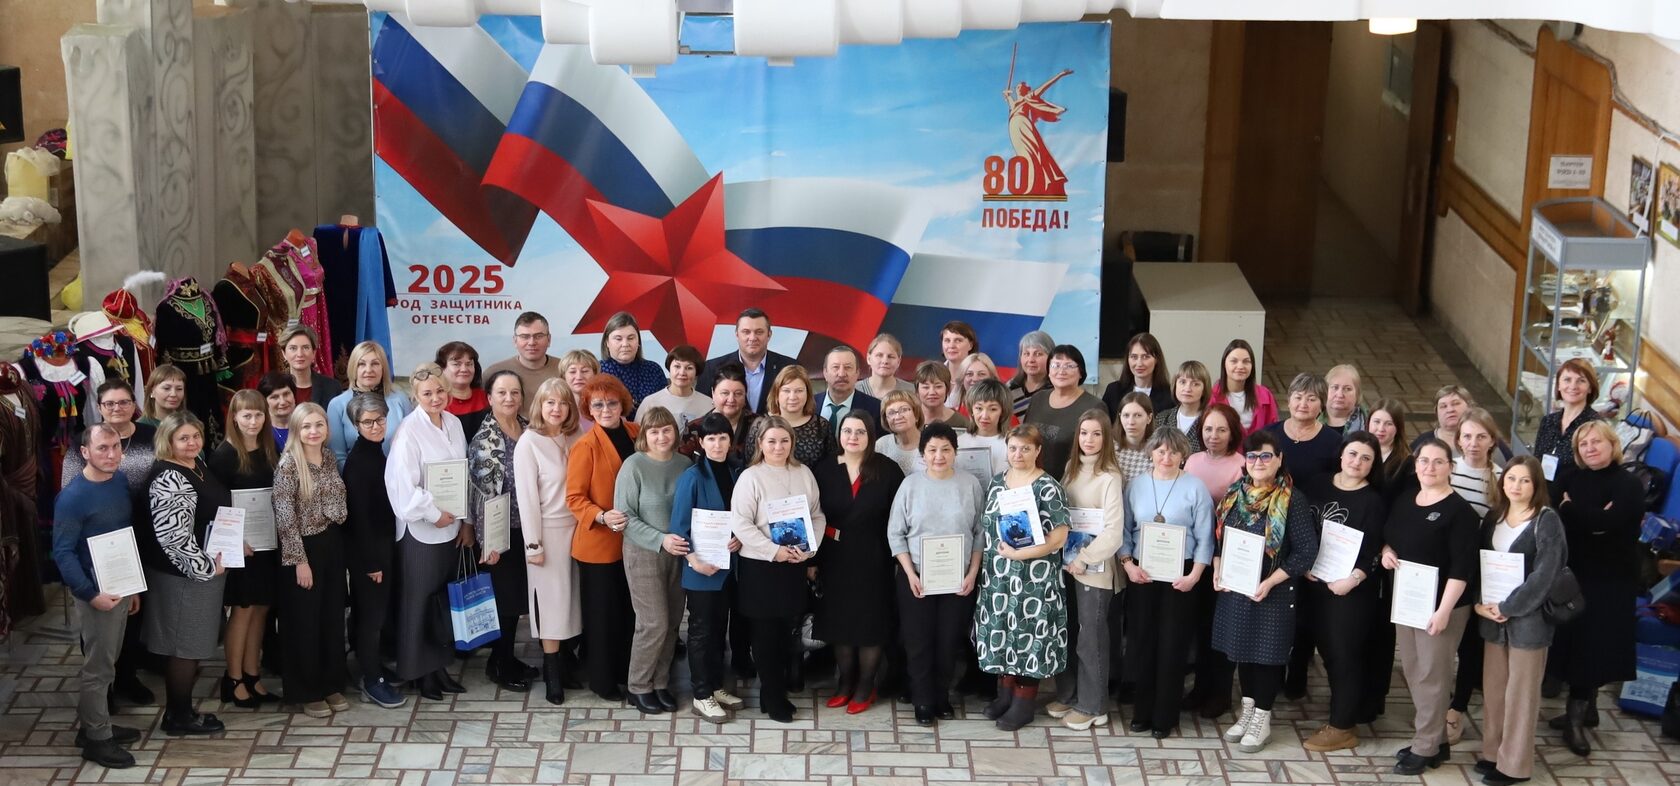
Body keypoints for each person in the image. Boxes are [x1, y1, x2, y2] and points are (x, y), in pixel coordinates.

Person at [1213, 430, 1318, 753]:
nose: (1258, 462)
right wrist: (1217, 569)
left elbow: (1306, 552)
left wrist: (1271, 581)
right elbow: (1220, 540)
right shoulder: (1235, 494)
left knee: (1267, 656)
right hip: (1236, 589)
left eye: (1266, 456)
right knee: (1242, 652)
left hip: (1273, 592)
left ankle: (1262, 718)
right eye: (1252, 456)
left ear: (1279, 459)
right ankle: (1247, 713)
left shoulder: (1292, 499)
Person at [1381, 438, 1478, 775]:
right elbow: (1391, 536)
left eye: (1438, 462)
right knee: (1412, 669)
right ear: (1415, 464)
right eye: (1424, 461)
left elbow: (1462, 568)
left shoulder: (1461, 512)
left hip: (1442, 606)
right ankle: (1437, 742)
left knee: (1432, 675)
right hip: (1408, 600)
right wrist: (1386, 552)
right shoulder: (1407, 499)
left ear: (1451, 467)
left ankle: (1425, 746)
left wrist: (1443, 611)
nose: (1430, 467)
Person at [1548, 420, 1643, 757]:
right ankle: (1586, 708)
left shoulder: (1629, 483)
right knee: (1575, 643)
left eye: (1596, 442)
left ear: (1612, 444)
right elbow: (1559, 517)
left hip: (1612, 577)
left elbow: (1609, 523)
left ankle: (1576, 720)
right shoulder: (1569, 477)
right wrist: (1590, 520)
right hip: (1575, 573)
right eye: (1583, 444)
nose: (1590, 448)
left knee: (1596, 644)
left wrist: (1571, 508)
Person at [53, 424, 143, 768]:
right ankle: (98, 740)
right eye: (102, 448)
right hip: (96, 594)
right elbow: (63, 553)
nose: (111, 454)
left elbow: (123, 535)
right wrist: (90, 595)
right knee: (98, 668)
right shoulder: (73, 497)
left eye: (116, 447)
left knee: (109, 661)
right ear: (84, 452)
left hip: (120, 587)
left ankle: (92, 725)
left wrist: (132, 586)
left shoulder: (119, 482)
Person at [1475, 456, 1567, 786]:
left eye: (1525, 480)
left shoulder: (1547, 520)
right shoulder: (1493, 517)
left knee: (1521, 696)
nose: (1516, 485)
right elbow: (1479, 563)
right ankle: (1492, 753)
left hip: (1529, 622)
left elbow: (1545, 574)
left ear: (1536, 485)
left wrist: (1509, 606)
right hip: (1493, 620)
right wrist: (1480, 603)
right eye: (1511, 478)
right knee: (1495, 691)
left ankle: (1514, 766)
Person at [384, 363, 473, 701]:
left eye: (439, 391)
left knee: (439, 601)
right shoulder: (408, 431)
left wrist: (464, 520)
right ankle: (419, 674)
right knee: (417, 601)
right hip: (421, 531)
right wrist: (434, 514)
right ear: (415, 396)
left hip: (450, 527)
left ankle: (438, 668)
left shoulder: (453, 423)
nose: (435, 398)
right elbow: (401, 486)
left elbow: (462, 474)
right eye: (427, 393)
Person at [730, 416, 828, 723]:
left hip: (794, 564)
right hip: (761, 566)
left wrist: (809, 549)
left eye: (784, 441)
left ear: (792, 443)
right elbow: (741, 524)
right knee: (765, 635)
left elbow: (817, 515)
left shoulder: (803, 473)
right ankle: (773, 698)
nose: (778, 447)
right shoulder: (750, 477)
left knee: (786, 631)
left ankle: (772, 692)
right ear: (760, 443)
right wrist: (774, 551)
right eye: (771, 441)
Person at [974, 424, 1071, 731]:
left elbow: (1059, 538)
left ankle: (1024, 703)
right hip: (999, 577)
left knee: (1029, 635)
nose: (1018, 454)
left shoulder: (1048, 487)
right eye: (1013, 448)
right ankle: (1005, 695)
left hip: (1034, 579)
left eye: (1026, 448)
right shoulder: (997, 482)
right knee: (1004, 631)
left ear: (1038, 451)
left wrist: (1021, 555)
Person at [888, 422, 985, 726]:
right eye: (932, 450)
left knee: (948, 640)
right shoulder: (910, 486)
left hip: (958, 579)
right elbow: (895, 534)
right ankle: (922, 700)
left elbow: (980, 532)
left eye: (946, 449)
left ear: (955, 452)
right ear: (923, 453)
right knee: (918, 641)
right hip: (916, 576)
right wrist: (909, 574)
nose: (939, 456)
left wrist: (972, 573)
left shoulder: (970, 484)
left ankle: (941, 696)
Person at [1118, 428, 1213, 738]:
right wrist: (1128, 564)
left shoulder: (1195, 487)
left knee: (1173, 645)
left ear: (1183, 454)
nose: (1166, 457)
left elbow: (1205, 536)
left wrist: (1195, 575)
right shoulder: (1136, 485)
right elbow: (1125, 529)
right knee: (1142, 642)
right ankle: (1142, 711)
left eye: (1173, 451)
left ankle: (1165, 716)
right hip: (1142, 573)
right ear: (1151, 453)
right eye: (1161, 451)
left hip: (1180, 576)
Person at [139, 412, 228, 735]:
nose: (192, 443)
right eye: (183, 438)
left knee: (192, 645)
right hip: (183, 578)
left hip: (202, 573)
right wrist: (207, 567)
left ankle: (183, 711)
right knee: (184, 648)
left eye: (196, 436)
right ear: (168, 440)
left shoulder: (194, 464)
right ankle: (178, 718)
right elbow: (174, 539)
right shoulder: (169, 477)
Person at [1299, 432, 1387, 753]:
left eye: (1366, 458)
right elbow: (1300, 527)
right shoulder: (1317, 485)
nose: (1357, 462)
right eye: (1352, 454)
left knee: (1343, 655)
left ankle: (1342, 726)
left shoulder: (1373, 501)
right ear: (1341, 454)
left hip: (1349, 590)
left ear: (1373, 465)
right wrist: (1303, 564)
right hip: (1313, 582)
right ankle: (1339, 714)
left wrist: (1354, 578)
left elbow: (1374, 549)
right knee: (1324, 650)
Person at [812, 411, 905, 715]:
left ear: (870, 436)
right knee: (840, 622)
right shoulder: (824, 469)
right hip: (834, 557)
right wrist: (812, 560)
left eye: (860, 432)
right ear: (839, 435)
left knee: (870, 623)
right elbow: (813, 515)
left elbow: (899, 517)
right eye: (847, 431)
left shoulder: (887, 470)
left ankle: (866, 685)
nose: (853, 437)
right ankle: (845, 683)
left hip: (874, 557)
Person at [1047, 410, 1126, 731]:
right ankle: (1070, 695)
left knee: (1091, 638)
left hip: (1094, 568)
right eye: (1084, 433)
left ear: (1106, 438)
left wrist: (1085, 557)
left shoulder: (1110, 477)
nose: (1089, 440)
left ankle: (1094, 706)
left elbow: (1114, 532)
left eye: (1096, 434)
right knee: (1068, 632)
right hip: (1066, 564)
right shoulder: (1071, 468)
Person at [668, 413, 747, 722]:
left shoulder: (736, 471)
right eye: (711, 439)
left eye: (722, 437)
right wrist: (693, 560)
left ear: (730, 441)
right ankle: (701, 695)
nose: (717, 444)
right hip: (700, 568)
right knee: (701, 632)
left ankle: (715, 686)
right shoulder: (692, 476)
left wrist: (739, 538)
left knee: (718, 631)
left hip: (729, 568)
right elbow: (679, 527)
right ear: (701, 442)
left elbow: (741, 516)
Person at [273, 403, 351, 717]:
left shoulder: (329, 457)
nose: (313, 431)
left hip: (332, 543)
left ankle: (331, 683)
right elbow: (284, 516)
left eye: (319, 424)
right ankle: (307, 689)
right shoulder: (289, 464)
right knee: (305, 621)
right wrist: (299, 560)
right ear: (296, 430)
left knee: (331, 617)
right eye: (306, 426)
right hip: (303, 548)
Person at [512, 378, 587, 706]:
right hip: (548, 533)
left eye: (563, 402)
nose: (556, 409)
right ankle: (552, 675)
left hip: (579, 530)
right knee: (551, 605)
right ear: (539, 406)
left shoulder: (576, 435)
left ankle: (568, 666)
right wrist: (533, 545)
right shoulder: (528, 443)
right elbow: (527, 500)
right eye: (550, 402)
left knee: (573, 603)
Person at [566, 374, 640, 701]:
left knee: (628, 612)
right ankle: (603, 680)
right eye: (598, 405)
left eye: (612, 403)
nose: (606, 410)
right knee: (602, 617)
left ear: (623, 404)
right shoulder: (585, 446)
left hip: (635, 543)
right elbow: (574, 498)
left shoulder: (638, 433)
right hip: (599, 545)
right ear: (589, 409)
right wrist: (601, 515)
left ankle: (626, 671)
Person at [615, 406, 693, 714]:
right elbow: (625, 517)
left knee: (672, 622)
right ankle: (638, 686)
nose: (661, 437)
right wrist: (661, 539)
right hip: (644, 552)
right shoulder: (633, 466)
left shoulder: (685, 464)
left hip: (678, 553)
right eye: (654, 431)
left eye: (667, 430)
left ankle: (660, 683)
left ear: (675, 432)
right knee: (653, 623)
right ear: (644, 435)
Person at [206, 390, 281, 708]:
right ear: (234, 418)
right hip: (241, 547)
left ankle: (252, 674)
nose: (253, 421)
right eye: (246, 415)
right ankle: (233, 678)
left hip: (267, 543)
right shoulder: (224, 455)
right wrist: (234, 538)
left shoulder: (270, 450)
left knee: (262, 607)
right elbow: (213, 503)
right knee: (243, 609)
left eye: (258, 414)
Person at [467, 370, 532, 692]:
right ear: (490, 397)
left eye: (515, 392)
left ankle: (508, 657)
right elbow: (481, 497)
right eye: (502, 393)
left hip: (528, 528)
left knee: (517, 597)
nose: (509, 398)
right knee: (504, 601)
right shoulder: (484, 440)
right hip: (500, 533)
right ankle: (499, 663)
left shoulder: (529, 428)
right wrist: (487, 543)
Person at [340, 393, 406, 708]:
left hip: (383, 544)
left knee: (377, 613)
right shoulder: (358, 463)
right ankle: (371, 679)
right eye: (368, 422)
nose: (376, 426)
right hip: (370, 552)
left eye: (380, 419)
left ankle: (373, 666)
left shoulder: (377, 452)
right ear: (356, 425)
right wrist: (371, 563)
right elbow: (359, 519)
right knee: (371, 617)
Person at [1444, 407, 1506, 742]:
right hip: (1445, 568)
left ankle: (1458, 708)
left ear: (1492, 441)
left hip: (1479, 571)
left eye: (1481, 436)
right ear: (1458, 439)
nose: (1473, 443)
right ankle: (1436, 702)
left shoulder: (1500, 477)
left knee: (1470, 645)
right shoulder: (1448, 470)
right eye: (1467, 436)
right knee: (1441, 641)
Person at [1181, 403, 1245, 718]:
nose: (1214, 435)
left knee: (1222, 627)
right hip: (1195, 557)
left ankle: (1221, 694)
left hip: (1227, 556)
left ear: (1233, 433)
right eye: (1208, 429)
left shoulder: (1241, 465)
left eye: (1221, 430)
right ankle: (1200, 689)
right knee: (1199, 625)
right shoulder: (1192, 461)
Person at [326, 340, 412, 468]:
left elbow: (411, 447)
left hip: (397, 476)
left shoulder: (400, 399)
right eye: (361, 364)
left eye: (375, 363)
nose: (368, 370)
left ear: (383, 368)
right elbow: (337, 456)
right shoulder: (337, 405)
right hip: (355, 477)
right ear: (353, 368)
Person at [1023, 344, 1104, 477]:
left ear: (1081, 372)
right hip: (1031, 478)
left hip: (1071, 481)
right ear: (1049, 371)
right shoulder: (1038, 398)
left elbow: (1101, 452)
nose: (1061, 371)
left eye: (1069, 366)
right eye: (1056, 365)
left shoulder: (1094, 406)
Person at [699, 308, 797, 413]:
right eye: (746, 332)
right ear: (737, 335)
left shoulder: (790, 367)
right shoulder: (711, 368)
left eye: (759, 332)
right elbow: (702, 410)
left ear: (769, 335)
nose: (752, 338)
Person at [63, 381, 157, 488]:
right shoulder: (83, 440)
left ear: (133, 406)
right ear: (99, 408)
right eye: (109, 404)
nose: (117, 409)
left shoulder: (152, 434)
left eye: (124, 402)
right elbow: (69, 486)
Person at [1532, 358, 1599, 496]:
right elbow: (1537, 461)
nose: (1573, 386)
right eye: (1567, 380)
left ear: (1590, 388)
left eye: (1581, 381)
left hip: (1572, 498)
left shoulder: (1594, 426)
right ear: (1558, 385)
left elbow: (1596, 474)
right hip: (1542, 494)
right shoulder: (1548, 421)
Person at [744, 365, 837, 466]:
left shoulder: (821, 426)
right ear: (776, 393)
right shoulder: (760, 425)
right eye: (786, 391)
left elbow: (831, 466)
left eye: (799, 391)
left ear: (808, 393)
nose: (792, 397)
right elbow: (750, 463)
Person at [1263, 372, 1341, 488]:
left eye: (1311, 399)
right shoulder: (1267, 434)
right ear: (1289, 402)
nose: (1303, 404)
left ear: (1322, 406)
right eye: (1298, 397)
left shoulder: (1334, 441)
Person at [680, 363, 755, 461]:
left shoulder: (759, 426)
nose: (731, 399)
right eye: (725, 393)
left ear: (745, 395)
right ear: (713, 393)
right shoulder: (694, 429)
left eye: (738, 394)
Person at [599, 311, 668, 416]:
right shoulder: (598, 371)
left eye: (631, 338)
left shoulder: (653, 370)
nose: (625, 344)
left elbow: (665, 409)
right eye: (618, 339)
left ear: (638, 341)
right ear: (607, 342)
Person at [485, 311, 564, 397]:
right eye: (525, 337)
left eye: (539, 336)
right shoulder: (493, 373)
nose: (532, 342)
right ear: (515, 341)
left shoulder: (566, 370)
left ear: (549, 340)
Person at [1208, 339, 1277, 436]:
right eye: (1234, 361)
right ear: (1224, 364)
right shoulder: (1212, 397)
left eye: (1246, 362)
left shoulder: (1265, 395)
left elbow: (1273, 430)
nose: (1240, 366)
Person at [637, 344, 712, 432]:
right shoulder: (650, 403)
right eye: (677, 366)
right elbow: (638, 436)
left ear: (696, 372)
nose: (682, 373)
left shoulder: (709, 404)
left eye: (689, 368)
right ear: (669, 368)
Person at [817, 345, 881, 440]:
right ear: (825, 373)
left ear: (857, 373)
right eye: (835, 367)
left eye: (848, 367)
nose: (841, 374)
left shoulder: (876, 409)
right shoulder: (809, 404)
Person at [1102, 332, 1173, 418]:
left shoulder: (1169, 395)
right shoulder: (1113, 391)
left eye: (1145, 357)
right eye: (1134, 357)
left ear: (1156, 359)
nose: (1139, 363)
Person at [1152, 360, 1210, 453]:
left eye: (1195, 384)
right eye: (1182, 382)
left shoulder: (1210, 420)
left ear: (1204, 390)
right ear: (1175, 385)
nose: (1187, 389)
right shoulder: (1162, 418)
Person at [958, 379, 1012, 473]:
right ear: (971, 410)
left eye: (993, 409)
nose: (984, 416)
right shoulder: (960, 442)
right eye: (979, 408)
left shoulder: (1012, 443)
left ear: (1003, 412)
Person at [279, 326, 342, 405]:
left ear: (314, 353)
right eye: (293, 348)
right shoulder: (274, 387)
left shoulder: (332, 387)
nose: (300, 354)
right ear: (284, 353)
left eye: (305, 348)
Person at [437, 341, 489, 436]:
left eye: (469, 364)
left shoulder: (486, 397)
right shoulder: (437, 402)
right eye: (457, 364)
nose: (464, 369)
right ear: (441, 368)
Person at [1369, 398, 1414, 502]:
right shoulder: (1357, 450)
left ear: (1398, 428)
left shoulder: (1406, 462)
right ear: (1368, 422)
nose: (1381, 429)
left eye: (1389, 424)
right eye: (1376, 422)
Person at [875, 390, 926, 475]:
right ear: (886, 420)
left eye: (904, 410)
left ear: (916, 415)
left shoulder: (931, 443)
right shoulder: (881, 445)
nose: (898, 417)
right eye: (891, 413)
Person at [913, 360, 974, 431]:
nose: (932, 392)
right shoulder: (907, 420)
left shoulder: (962, 423)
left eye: (938, 386)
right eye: (926, 387)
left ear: (947, 389)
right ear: (917, 391)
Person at [1009, 330, 1055, 420]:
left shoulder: (1057, 391)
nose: (1031, 360)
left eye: (1038, 354)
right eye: (1026, 354)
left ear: (1051, 357)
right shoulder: (1009, 388)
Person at [1113, 392, 1154, 481]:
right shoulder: (1109, 446)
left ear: (1149, 418)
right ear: (1120, 417)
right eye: (1126, 415)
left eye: (1138, 415)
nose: (1131, 422)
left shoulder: (1157, 450)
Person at [939, 321, 979, 409]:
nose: (951, 346)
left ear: (970, 345)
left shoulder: (978, 376)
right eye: (947, 340)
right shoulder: (934, 374)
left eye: (958, 340)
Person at [863, 333, 915, 400]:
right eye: (879, 355)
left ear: (898, 362)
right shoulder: (854, 390)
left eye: (891, 357)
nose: (885, 361)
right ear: (869, 359)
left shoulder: (911, 391)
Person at [561, 348, 600, 431]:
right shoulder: (556, 408)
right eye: (572, 372)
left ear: (595, 374)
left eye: (585, 371)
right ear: (563, 376)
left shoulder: (607, 405)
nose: (579, 377)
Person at [259, 371, 298, 452]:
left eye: (286, 394)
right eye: (275, 397)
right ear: (264, 402)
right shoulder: (259, 433)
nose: (282, 402)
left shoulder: (307, 426)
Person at [1323, 364, 1367, 434]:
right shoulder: (1310, 417)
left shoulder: (1370, 422)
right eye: (1335, 387)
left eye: (1347, 389)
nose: (1340, 395)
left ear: (1357, 394)